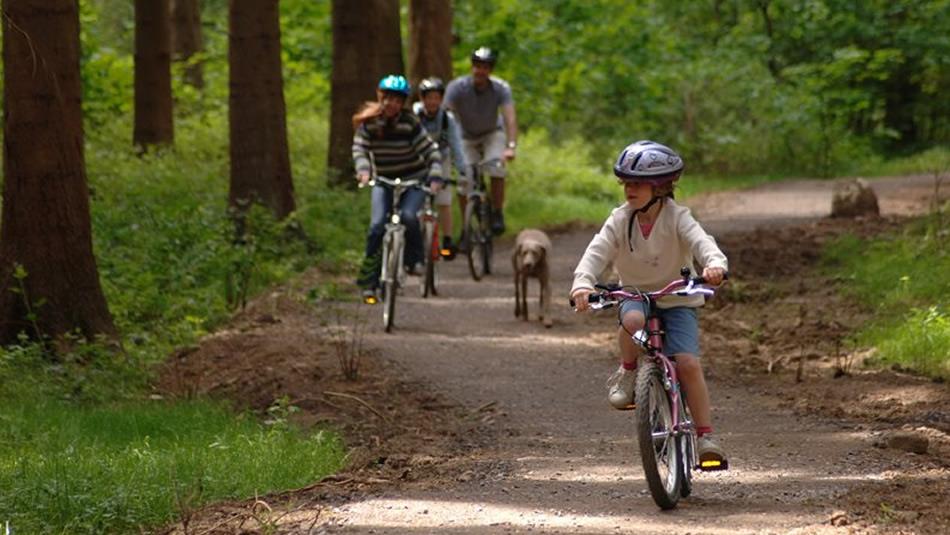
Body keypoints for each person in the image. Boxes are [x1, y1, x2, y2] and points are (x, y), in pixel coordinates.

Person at [570, 140, 729, 466]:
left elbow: (702, 243)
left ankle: (705, 436)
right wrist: (582, 284)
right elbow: (596, 253)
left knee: (687, 363)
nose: (630, 189)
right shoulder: (619, 219)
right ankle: (629, 373)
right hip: (635, 295)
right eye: (626, 183)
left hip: (677, 297)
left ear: (660, 187)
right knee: (631, 322)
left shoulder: (678, 217)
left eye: (638, 183)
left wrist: (714, 265)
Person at [353, 75, 443, 301]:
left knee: (409, 216)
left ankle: (414, 260)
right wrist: (364, 171)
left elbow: (430, 151)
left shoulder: (410, 123)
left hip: (413, 179)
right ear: (380, 98)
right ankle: (369, 283)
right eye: (387, 99)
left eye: (396, 100)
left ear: (402, 103)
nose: (390, 104)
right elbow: (360, 149)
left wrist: (434, 176)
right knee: (376, 227)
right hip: (383, 180)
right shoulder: (369, 124)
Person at [443, 46, 517, 236]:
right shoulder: (457, 87)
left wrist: (511, 146)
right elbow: (445, 116)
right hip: (465, 136)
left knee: (496, 167)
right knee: (463, 178)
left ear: (490, 70)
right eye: (477, 66)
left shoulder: (501, 88)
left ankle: (497, 212)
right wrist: (445, 144)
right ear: (472, 67)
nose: (480, 71)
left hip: (492, 133)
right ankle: (466, 228)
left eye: (484, 67)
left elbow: (510, 118)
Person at [412, 77, 469, 259]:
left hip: (441, 159)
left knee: (444, 201)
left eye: (436, 98)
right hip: (417, 160)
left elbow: (456, 145)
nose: (432, 102)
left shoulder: (447, 118)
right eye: (429, 98)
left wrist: (462, 171)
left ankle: (447, 241)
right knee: (415, 200)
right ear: (422, 98)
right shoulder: (414, 114)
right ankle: (415, 241)